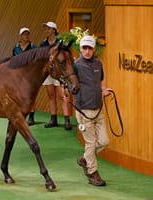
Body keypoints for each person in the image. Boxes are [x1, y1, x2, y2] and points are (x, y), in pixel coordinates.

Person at [74, 35, 112, 186]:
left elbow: (101, 79)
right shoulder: (75, 65)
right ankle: (92, 173)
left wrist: (103, 89)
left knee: (104, 141)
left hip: (98, 109)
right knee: (91, 143)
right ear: (81, 48)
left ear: (94, 48)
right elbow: (69, 81)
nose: (87, 51)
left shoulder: (98, 63)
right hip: (84, 110)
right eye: (85, 48)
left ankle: (85, 159)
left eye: (90, 48)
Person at [40, 21, 72, 130]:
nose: (46, 31)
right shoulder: (43, 43)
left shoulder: (61, 41)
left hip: (59, 73)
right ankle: (53, 119)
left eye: (48, 29)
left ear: (54, 30)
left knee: (62, 96)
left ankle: (67, 120)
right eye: (45, 29)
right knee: (51, 95)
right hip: (48, 73)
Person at [12, 27, 38, 125]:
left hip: (30, 75)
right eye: (24, 34)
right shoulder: (16, 47)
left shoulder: (33, 47)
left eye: (27, 34)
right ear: (20, 36)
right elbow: (14, 60)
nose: (26, 36)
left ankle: (31, 117)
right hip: (18, 75)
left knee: (30, 96)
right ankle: (20, 115)